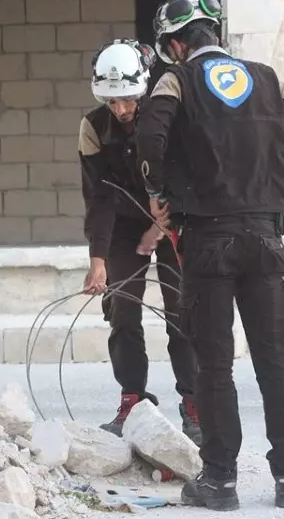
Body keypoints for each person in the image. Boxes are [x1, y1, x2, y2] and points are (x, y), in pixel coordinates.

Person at [136, 0, 284, 511]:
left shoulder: (176, 80)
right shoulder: (266, 77)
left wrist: (164, 193)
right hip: (266, 237)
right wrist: (266, 178)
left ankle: (220, 481)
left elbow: (149, 142)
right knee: (276, 361)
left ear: (176, 44)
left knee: (213, 364)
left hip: (208, 241)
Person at [78, 38, 201, 445]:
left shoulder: (166, 116)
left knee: (182, 311)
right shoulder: (93, 128)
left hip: (174, 220)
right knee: (123, 311)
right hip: (124, 227)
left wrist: (162, 225)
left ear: (143, 89)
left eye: (128, 99)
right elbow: (97, 197)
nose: (121, 109)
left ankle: (195, 402)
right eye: (112, 101)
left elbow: (184, 175)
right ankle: (132, 399)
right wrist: (98, 258)